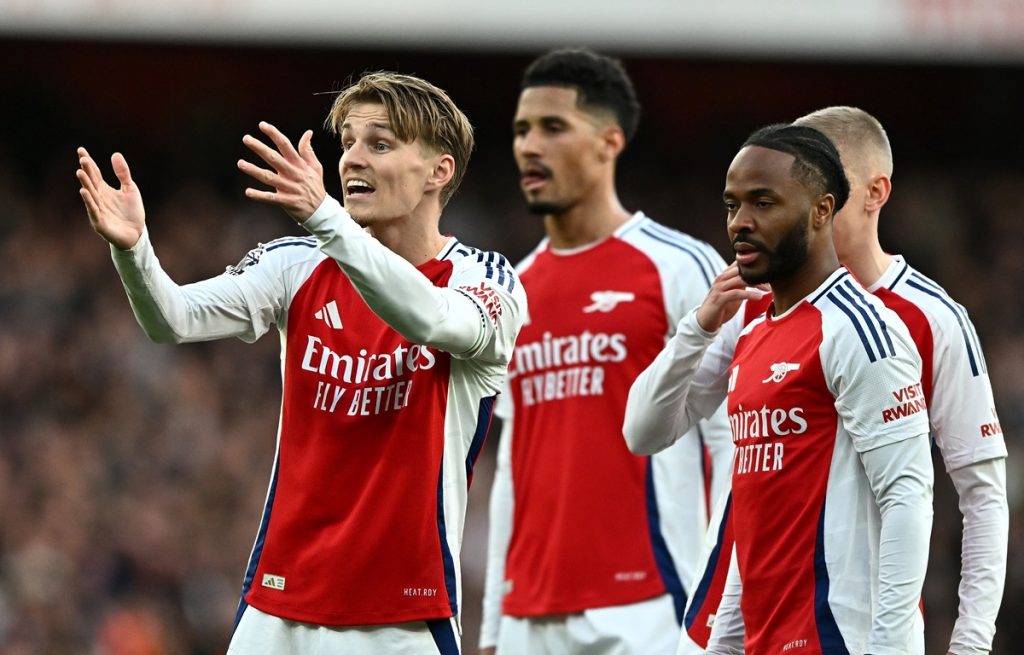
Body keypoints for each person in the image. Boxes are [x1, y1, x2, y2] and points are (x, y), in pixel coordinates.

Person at [76, 71, 527, 654]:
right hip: (277, 611)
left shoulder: (484, 280)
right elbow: (173, 320)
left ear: (439, 171)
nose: (353, 161)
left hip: (403, 620)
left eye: (380, 144)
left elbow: (432, 320)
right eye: (349, 144)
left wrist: (326, 219)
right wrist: (134, 251)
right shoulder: (297, 266)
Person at [675, 108, 1009, 655]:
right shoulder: (754, 305)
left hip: (849, 631)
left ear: (876, 192)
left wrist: (970, 644)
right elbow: (665, 419)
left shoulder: (933, 318)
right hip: (724, 617)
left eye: (828, 181)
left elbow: (983, 495)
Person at [623, 123, 935, 654]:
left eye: (763, 203)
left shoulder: (861, 329)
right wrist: (698, 326)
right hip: (766, 637)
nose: (740, 223)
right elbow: (642, 432)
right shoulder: (752, 329)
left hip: (840, 637)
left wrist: (888, 648)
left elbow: (908, 496)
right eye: (731, 205)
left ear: (821, 210)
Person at [479, 48, 733, 655]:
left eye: (552, 127)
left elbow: (733, 439)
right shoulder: (510, 289)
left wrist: (719, 600)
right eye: (520, 130)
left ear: (609, 141)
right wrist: (492, 624)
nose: (528, 146)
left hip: (651, 603)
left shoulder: (682, 266)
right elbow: (513, 462)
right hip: (528, 613)